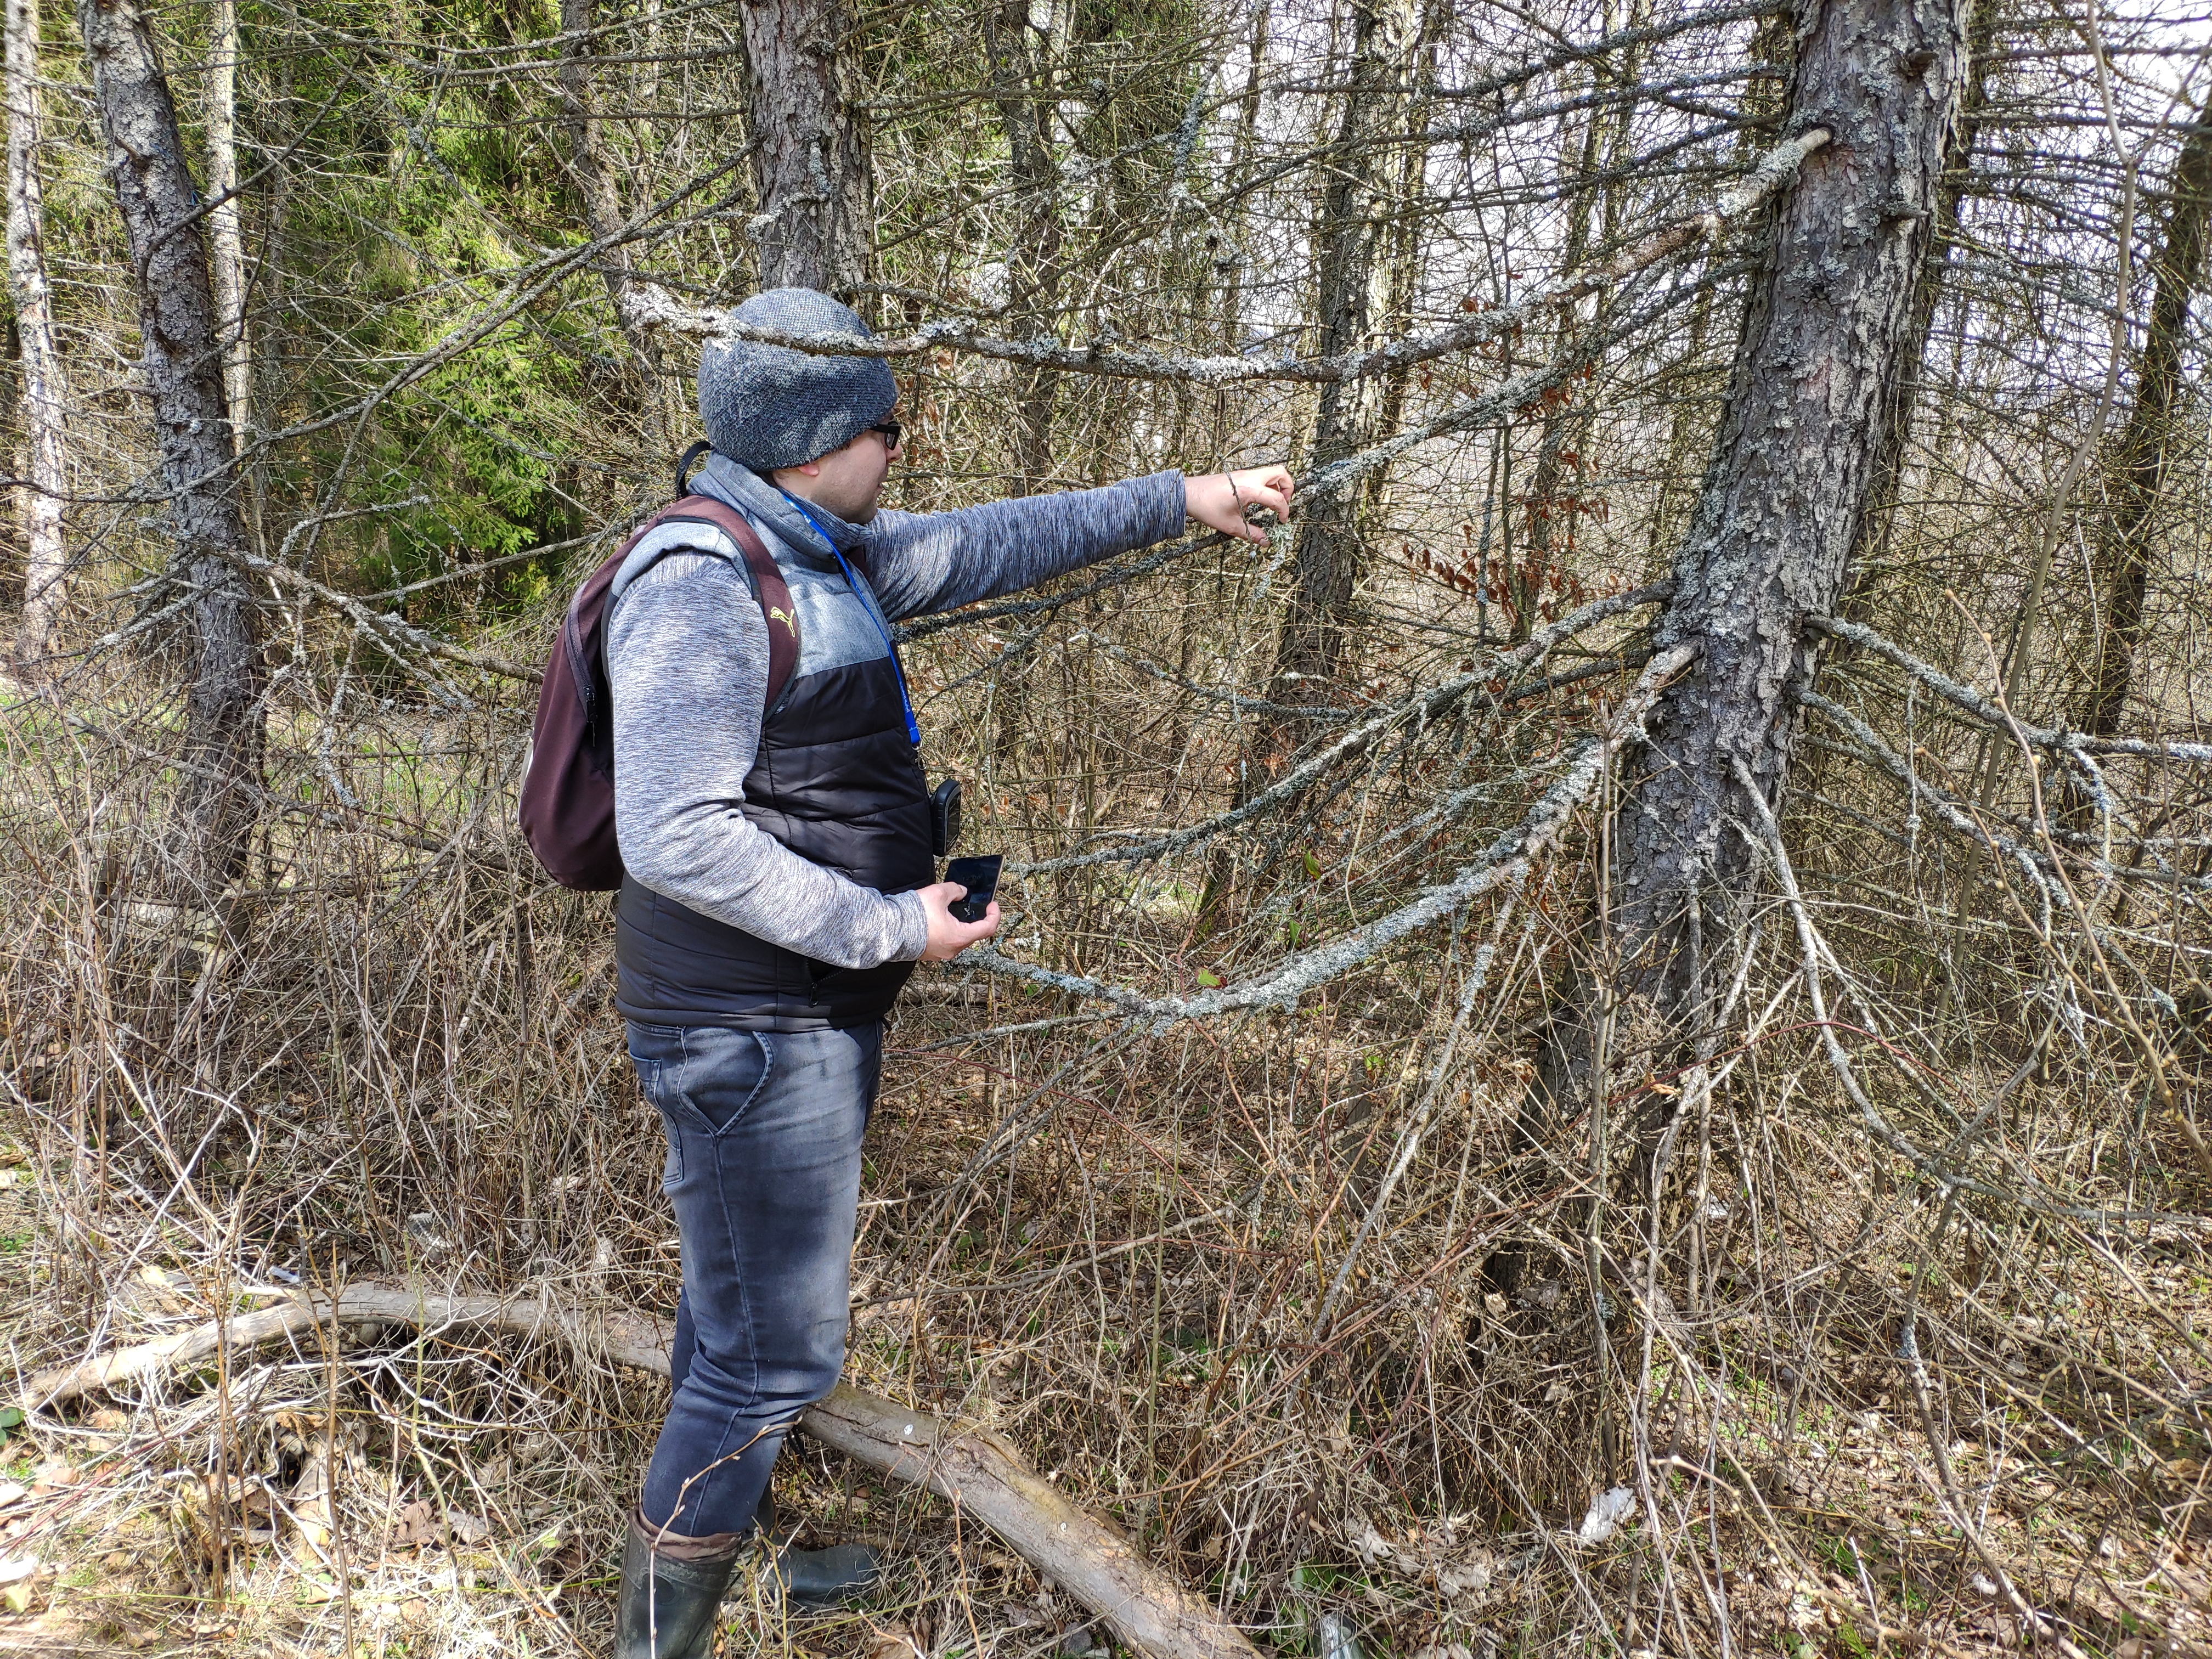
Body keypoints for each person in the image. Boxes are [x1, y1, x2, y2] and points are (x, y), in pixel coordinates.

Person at [607, 285, 1294, 1659]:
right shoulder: (705, 580)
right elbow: (671, 833)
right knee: (769, 1350)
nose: (902, 450)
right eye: (888, 427)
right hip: (748, 1024)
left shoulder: (824, 553)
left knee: (736, 1305)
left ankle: (741, 1560)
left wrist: (1187, 495)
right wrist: (889, 929)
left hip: (797, 1014)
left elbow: (995, 542)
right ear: (815, 442)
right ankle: (657, 1639)